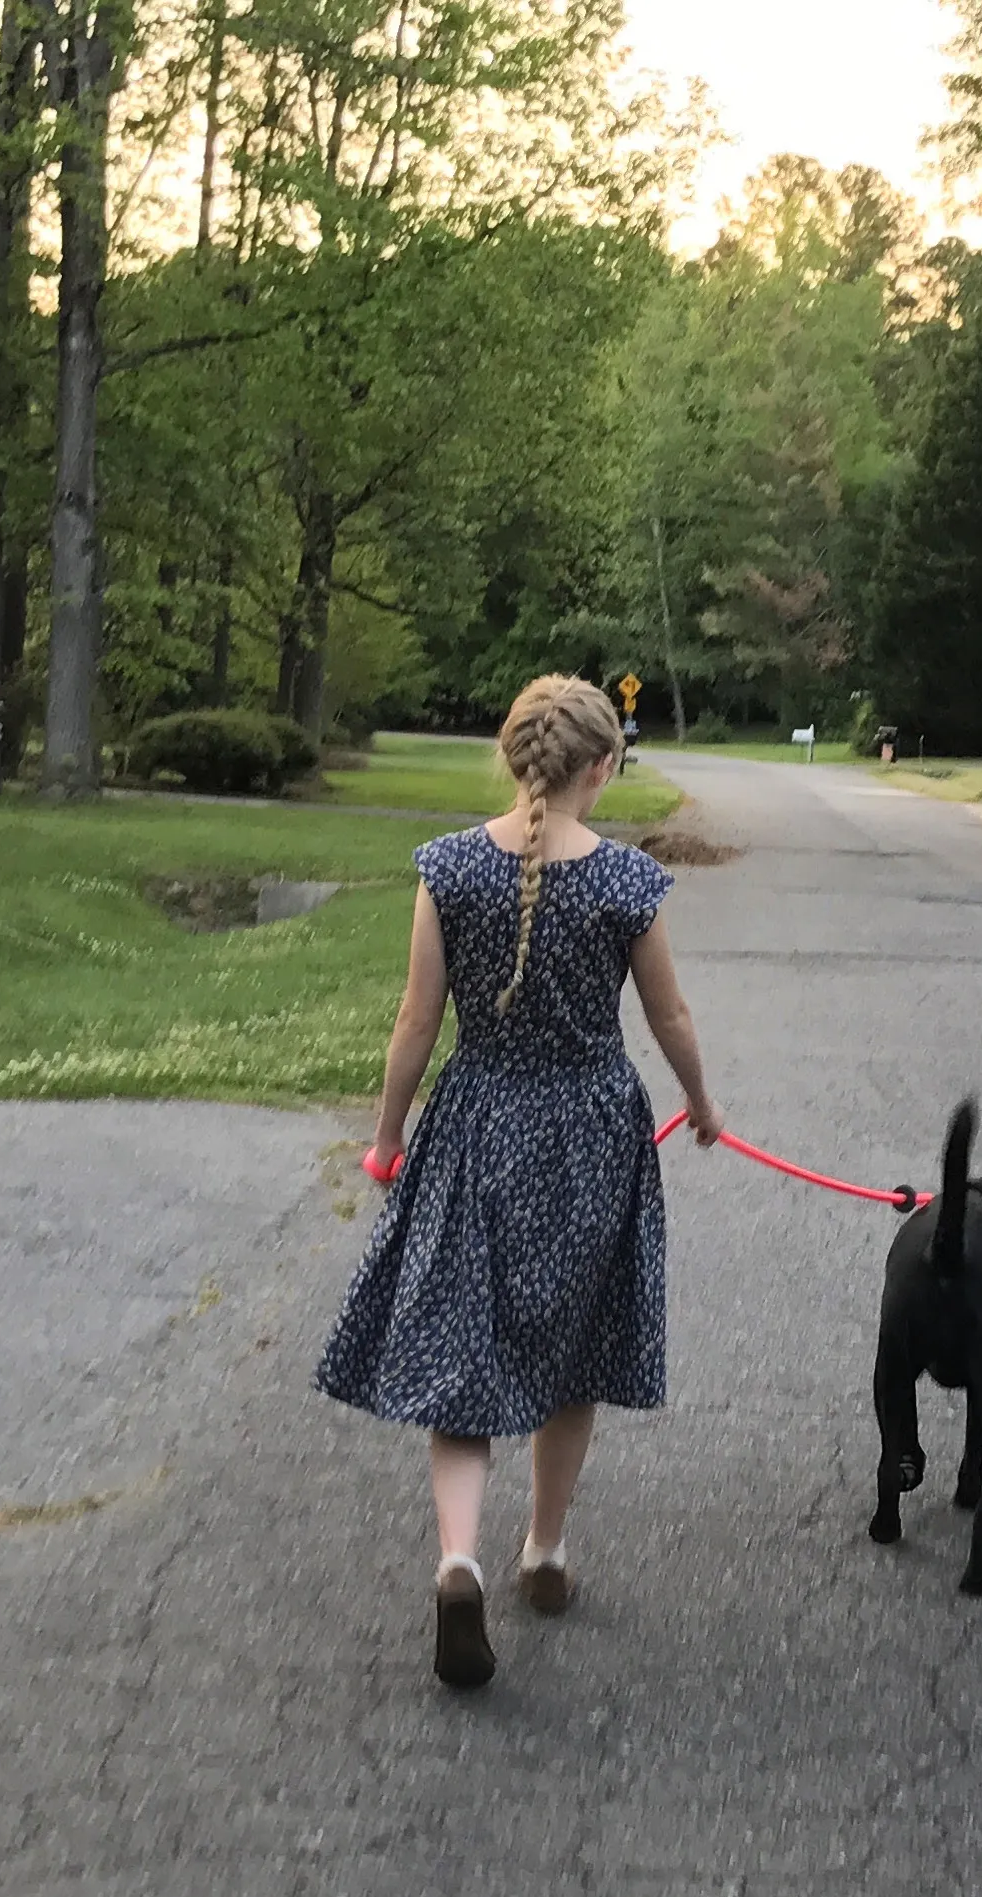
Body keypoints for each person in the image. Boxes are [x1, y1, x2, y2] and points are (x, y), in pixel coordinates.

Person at [315, 675, 722, 1689]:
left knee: (466, 1345)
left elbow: (416, 1023)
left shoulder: (449, 868)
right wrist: (704, 1107)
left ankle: (460, 1559)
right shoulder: (628, 882)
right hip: (589, 1130)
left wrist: (385, 1137)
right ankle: (543, 1549)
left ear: (510, 757)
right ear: (602, 767)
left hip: (476, 1122)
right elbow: (671, 1019)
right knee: (571, 1348)